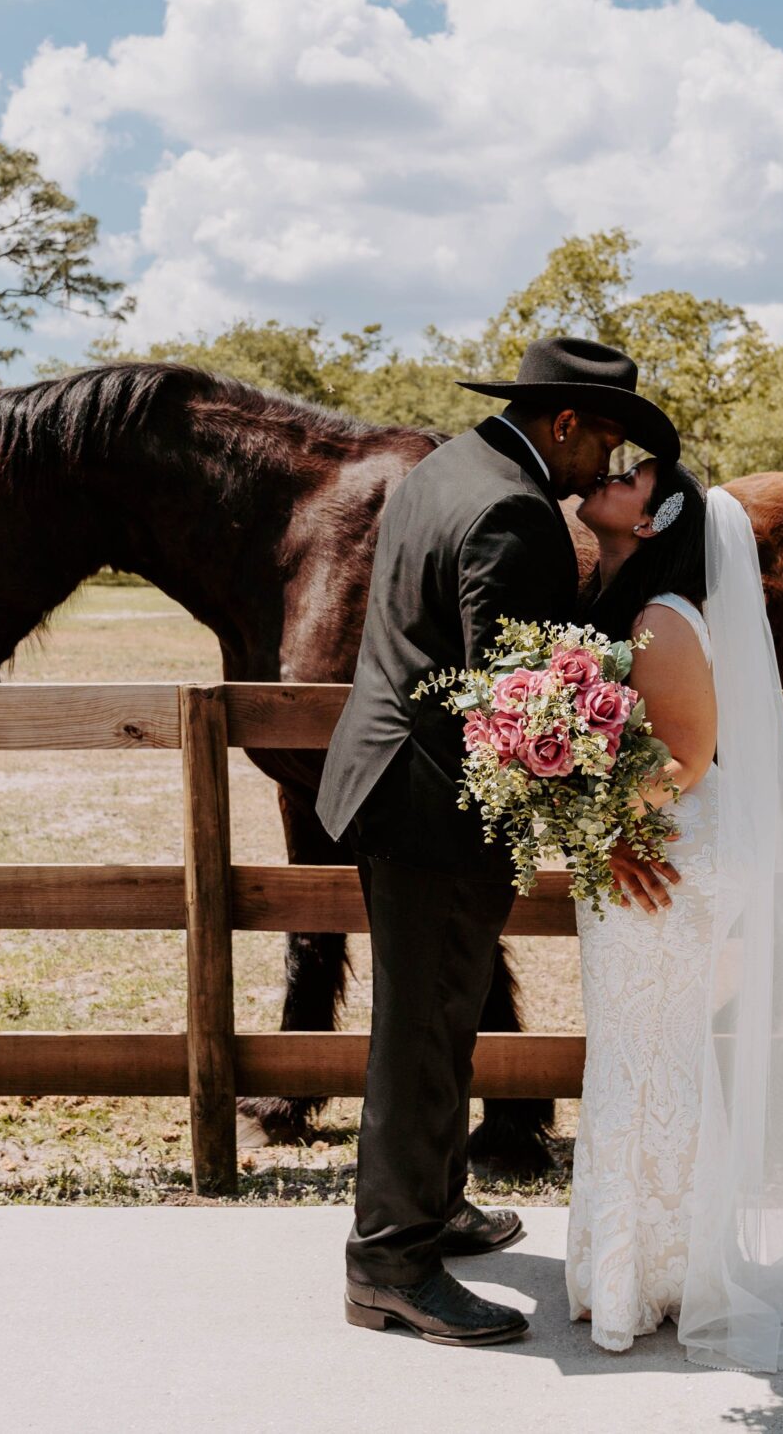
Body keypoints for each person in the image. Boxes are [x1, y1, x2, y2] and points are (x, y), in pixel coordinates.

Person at [317, 336, 681, 1347]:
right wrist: (603, 826)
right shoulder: (514, 512)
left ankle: (434, 1207)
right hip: (429, 806)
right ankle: (390, 1264)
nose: (608, 467)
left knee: (440, 1015)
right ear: (563, 423)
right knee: (422, 1036)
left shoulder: (448, 464)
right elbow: (523, 701)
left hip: (395, 782)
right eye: (604, 441)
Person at [565, 458, 783, 1373]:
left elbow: (689, 757)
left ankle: (659, 1274)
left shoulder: (664, 620)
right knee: (641, 1051)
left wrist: (600, 825)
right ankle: (652, 1265)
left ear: (658, 515)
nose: (603, 477)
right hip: (647, 852)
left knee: (647, 1053)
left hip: (660, 859)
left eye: (627, 476)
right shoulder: (628, 606)